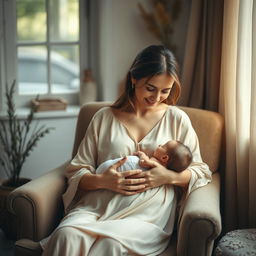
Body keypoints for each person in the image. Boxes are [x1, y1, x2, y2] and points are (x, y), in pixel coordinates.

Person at [41, 45, 212, 256]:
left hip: (147, 214)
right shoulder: (103, 118)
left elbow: (201, 171)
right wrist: (103, 180)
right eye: (150, 88)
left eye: (165, 91)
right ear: (134, 79)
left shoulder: (177, 119)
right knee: (66, 235)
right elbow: (77, 171)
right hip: (98, 207)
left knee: (111, 245)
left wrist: (167, 176)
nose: (157, 97)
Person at [96, 140, 193, 175]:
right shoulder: (164, 169)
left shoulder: (154, 163)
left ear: (164, 158)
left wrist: (141, 154)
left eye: (162, 146)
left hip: (111, 168)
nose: (159, 145)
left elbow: (143, 162)